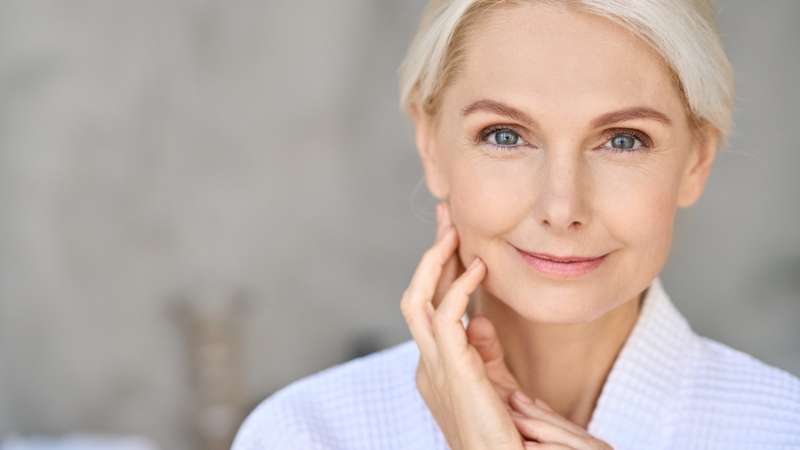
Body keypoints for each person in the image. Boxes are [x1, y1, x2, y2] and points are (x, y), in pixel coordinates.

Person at [232, 0, 800, 448]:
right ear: (431, 145)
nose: (561, 206)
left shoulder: (781, 430)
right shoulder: (305, 434)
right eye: (504, 135)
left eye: (623, 140)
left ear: (696, 160)